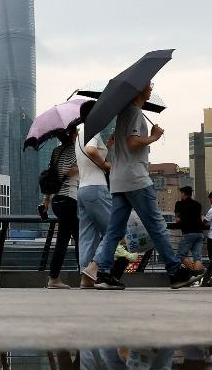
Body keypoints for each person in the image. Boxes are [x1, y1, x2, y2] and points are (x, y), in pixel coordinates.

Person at [80, 82, 201, 289]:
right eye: (148, 84)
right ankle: (175, 272)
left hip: (119, 180)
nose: (151, 87)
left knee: (114, 231)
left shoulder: (124, 114)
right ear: (138, 89)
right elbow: (133, 142)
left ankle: (104, 274)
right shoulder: (134, 112)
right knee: (157, 226)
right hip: (135, 178)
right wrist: (154, 137)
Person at [75, 102, 134, 289]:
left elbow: (90, 153)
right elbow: (92, 151)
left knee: (87, 236)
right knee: (115, 230)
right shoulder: (92, 130)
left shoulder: (79, 135)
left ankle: (86, 277)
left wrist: (108, 145)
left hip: (83, 190)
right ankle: (96, 268)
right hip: (96, 188)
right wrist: (105, 165)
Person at [44, 127, 80, 289]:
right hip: (69, 198)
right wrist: (81, 167)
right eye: (77, 132)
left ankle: (84, 274)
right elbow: (72, 171)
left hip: (57, 200)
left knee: (74, 237)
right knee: (69, 239)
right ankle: (55, 278)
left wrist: (46, 199)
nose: (78, 135)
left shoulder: (56, 151)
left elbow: (51, 175)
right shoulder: (75, 150)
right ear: (72, 135)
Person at [174, 186, 205, 273]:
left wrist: (180, 218)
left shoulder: (179, 204)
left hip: (188, 233)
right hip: (199, 233)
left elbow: (177, 219)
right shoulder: (197, 204)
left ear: (183, 193)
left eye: (181, 193)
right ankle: (197, 277)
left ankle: (193, 274)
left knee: (180, 255)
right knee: (197, 257)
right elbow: (200, 218)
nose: (180, 195)